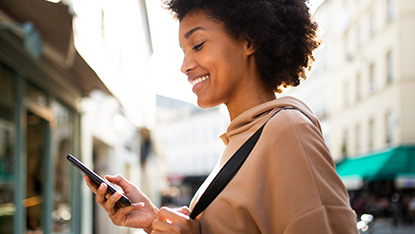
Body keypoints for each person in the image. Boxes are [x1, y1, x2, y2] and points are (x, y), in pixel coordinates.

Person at [84, 0, 359, 233]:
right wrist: (152, 218)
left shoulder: (288, 129)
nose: (184, 65)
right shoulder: (241, 140)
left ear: (249, 41)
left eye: (198, 44)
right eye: (184, 51)